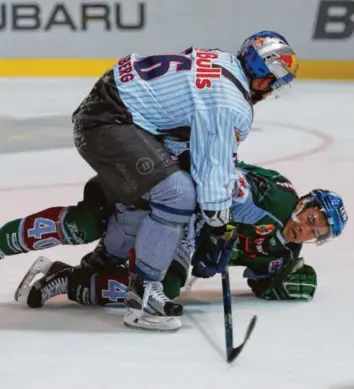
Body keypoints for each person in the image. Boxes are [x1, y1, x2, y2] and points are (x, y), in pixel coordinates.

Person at [68, 30, 298, 330]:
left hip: (109, 107)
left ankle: (99, 264)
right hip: (109, 122)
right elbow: (213, 170)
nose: (268, 94)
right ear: (264, 78)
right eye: (273, 86)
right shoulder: (231, 103)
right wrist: (219, 227)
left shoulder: (220, 60)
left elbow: (183, 131)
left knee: (165, 190)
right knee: (178, 194)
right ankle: (145, 294)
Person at [13, 161, 348, 329]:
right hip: (172, 205)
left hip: (181, 234)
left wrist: (294, 281)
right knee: (96, 234)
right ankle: (95, 261)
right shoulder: (274, 197)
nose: (307, 230)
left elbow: (267, 283)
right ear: (304, 203)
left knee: (163, 288)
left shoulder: (283, 252)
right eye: (312, 219)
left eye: (318, 233)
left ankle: (66, 278)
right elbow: (222, 176)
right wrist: (218, 229)